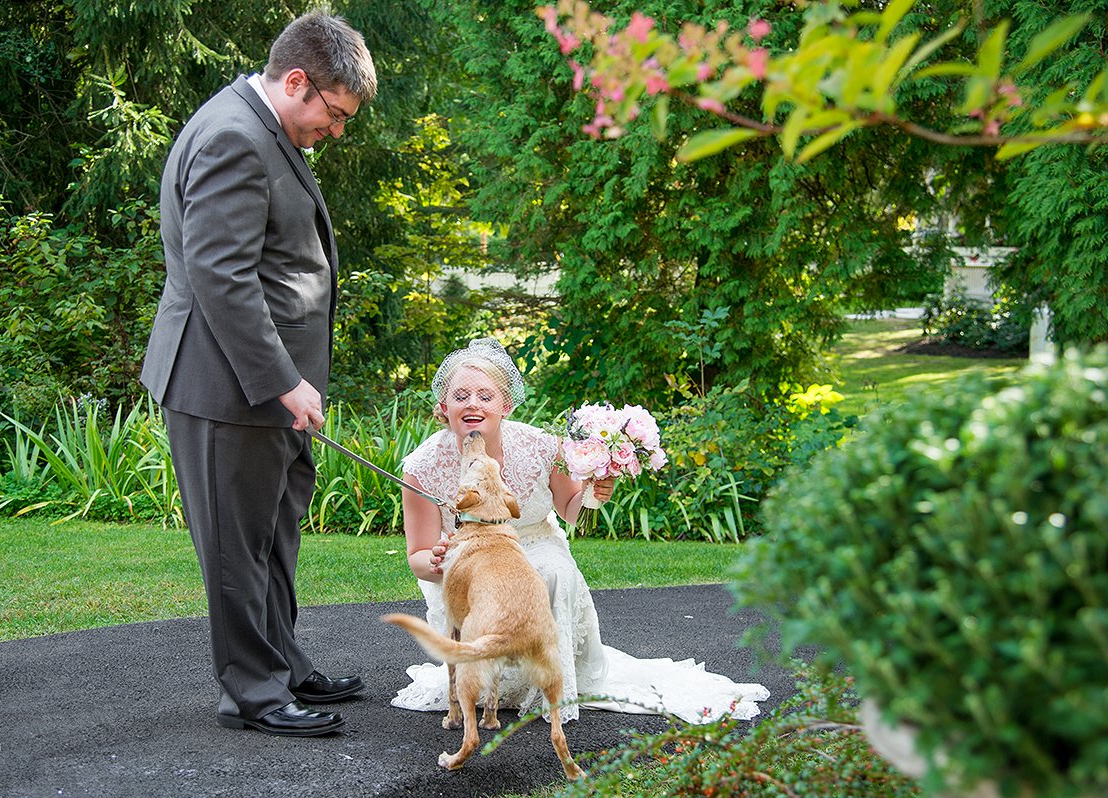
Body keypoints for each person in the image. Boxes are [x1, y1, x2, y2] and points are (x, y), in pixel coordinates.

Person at [140, 10, 377, 737]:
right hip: (228, 389)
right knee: (236, 545)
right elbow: (221, 276)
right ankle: (253, 693)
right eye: (334, 114)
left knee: (275, 534)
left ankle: (281, 660)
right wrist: (282, 378)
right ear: (298, 81)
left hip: (268, 392)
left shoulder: (260, 124)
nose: (335, 132)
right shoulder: (235, 138)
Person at [392, 338, 770, 724]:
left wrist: (594, 492)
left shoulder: (541, 446)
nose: (472, 403)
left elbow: (571, 511)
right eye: (461, 395)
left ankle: (550, 687)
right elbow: (418, 556)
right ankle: (490, 681)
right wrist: (438, 562)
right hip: (471, 559)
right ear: (444, 407)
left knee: (550, 571)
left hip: (533, 542)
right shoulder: (422, 466)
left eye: (485, 395)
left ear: (505, 405)